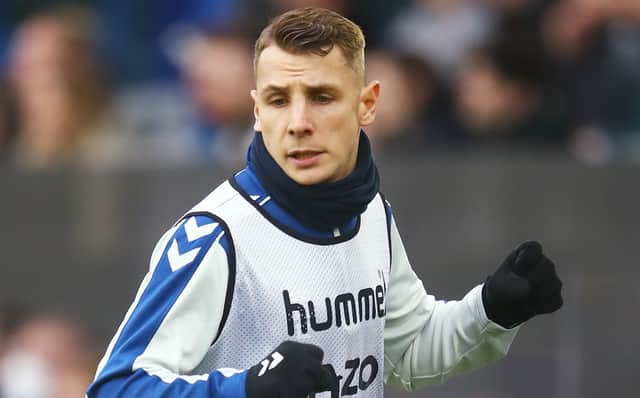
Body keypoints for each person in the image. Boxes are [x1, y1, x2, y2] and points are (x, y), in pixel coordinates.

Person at [87, 7, 563, 398]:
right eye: (278, 100)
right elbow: (115, 389)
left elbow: (407, 352)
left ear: (366, 104)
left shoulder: (371, 212)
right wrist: (243, 390)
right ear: (257, 112)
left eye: (320, 96)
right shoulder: (217, 237)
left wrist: (491, 310)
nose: (297, 122)